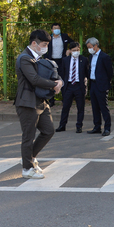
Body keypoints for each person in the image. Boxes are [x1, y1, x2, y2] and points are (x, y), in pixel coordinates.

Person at [14, 30, 63, 179]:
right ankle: (27, 168)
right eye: (44, 44)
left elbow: (50, 73)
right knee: (28, 136)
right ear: (34, 43)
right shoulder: (24, 58)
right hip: (27, 103)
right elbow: (34, 79)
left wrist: (60, 81)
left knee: (48, 130)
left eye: (47, 45)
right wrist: (53, 85)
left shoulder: (39, 58)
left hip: (41, 102)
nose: (46, 47)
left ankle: (30, 157)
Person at [56, 42, 89, 133]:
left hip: (79, 86)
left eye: (78, 50)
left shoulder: (84, 60)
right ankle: (62, 125)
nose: (76, 52)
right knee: (65, 107)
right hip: (69, 86)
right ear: (70, 51)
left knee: (80, 107)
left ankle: (79, 126)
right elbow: (62, 73)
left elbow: (87, 73)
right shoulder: (65, 60)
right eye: (74, 50)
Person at [86, 37, 113, 136]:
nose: (89, 49)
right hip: (93, 84)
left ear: (96, 45)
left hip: (101, 85)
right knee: (94, 107)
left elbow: (110, 72)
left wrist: (105, 82)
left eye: (90, 47)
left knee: (103, 107)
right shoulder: (91, 57)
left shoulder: (104, 57)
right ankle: (97, 126)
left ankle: (107, 128)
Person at [44, 23, 74, 107]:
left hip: (62, 61)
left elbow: (73, 43)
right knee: (51, 79)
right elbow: (44, 48)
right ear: (52, 30)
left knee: (63, 79)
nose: (57, 29)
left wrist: (69, 50)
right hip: (51, 61)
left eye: (58, 28)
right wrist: (46, 58)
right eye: (55, 28)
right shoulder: (48, 38)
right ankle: (51, 100)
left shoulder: (64, 37)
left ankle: (64, 100)